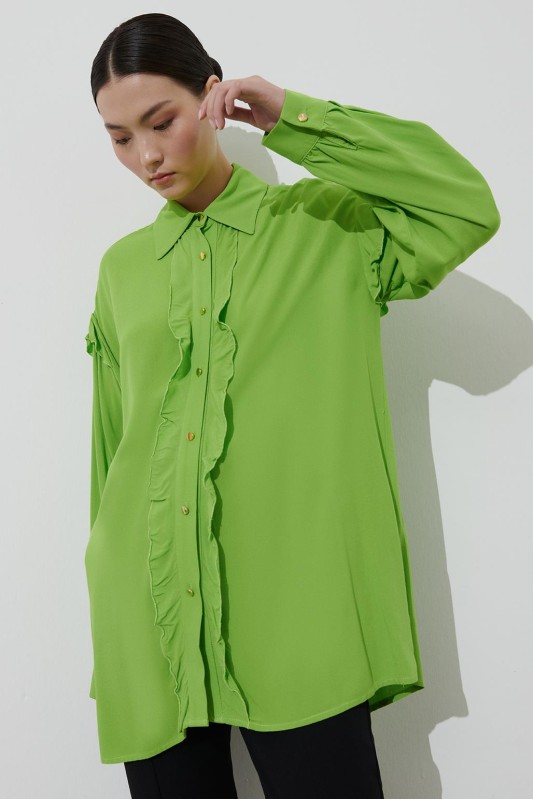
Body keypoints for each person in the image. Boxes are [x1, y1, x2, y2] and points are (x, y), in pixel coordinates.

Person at [85, 11, 500, 800]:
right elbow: (112, 447)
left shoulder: (327, 228)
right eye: (119, 138)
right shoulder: (121, 270)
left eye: (161, 122)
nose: (145, 156)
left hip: (302, 617)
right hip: (150, 618)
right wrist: (106, 594)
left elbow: (462, 206)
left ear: (210, 96)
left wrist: (291, 117)